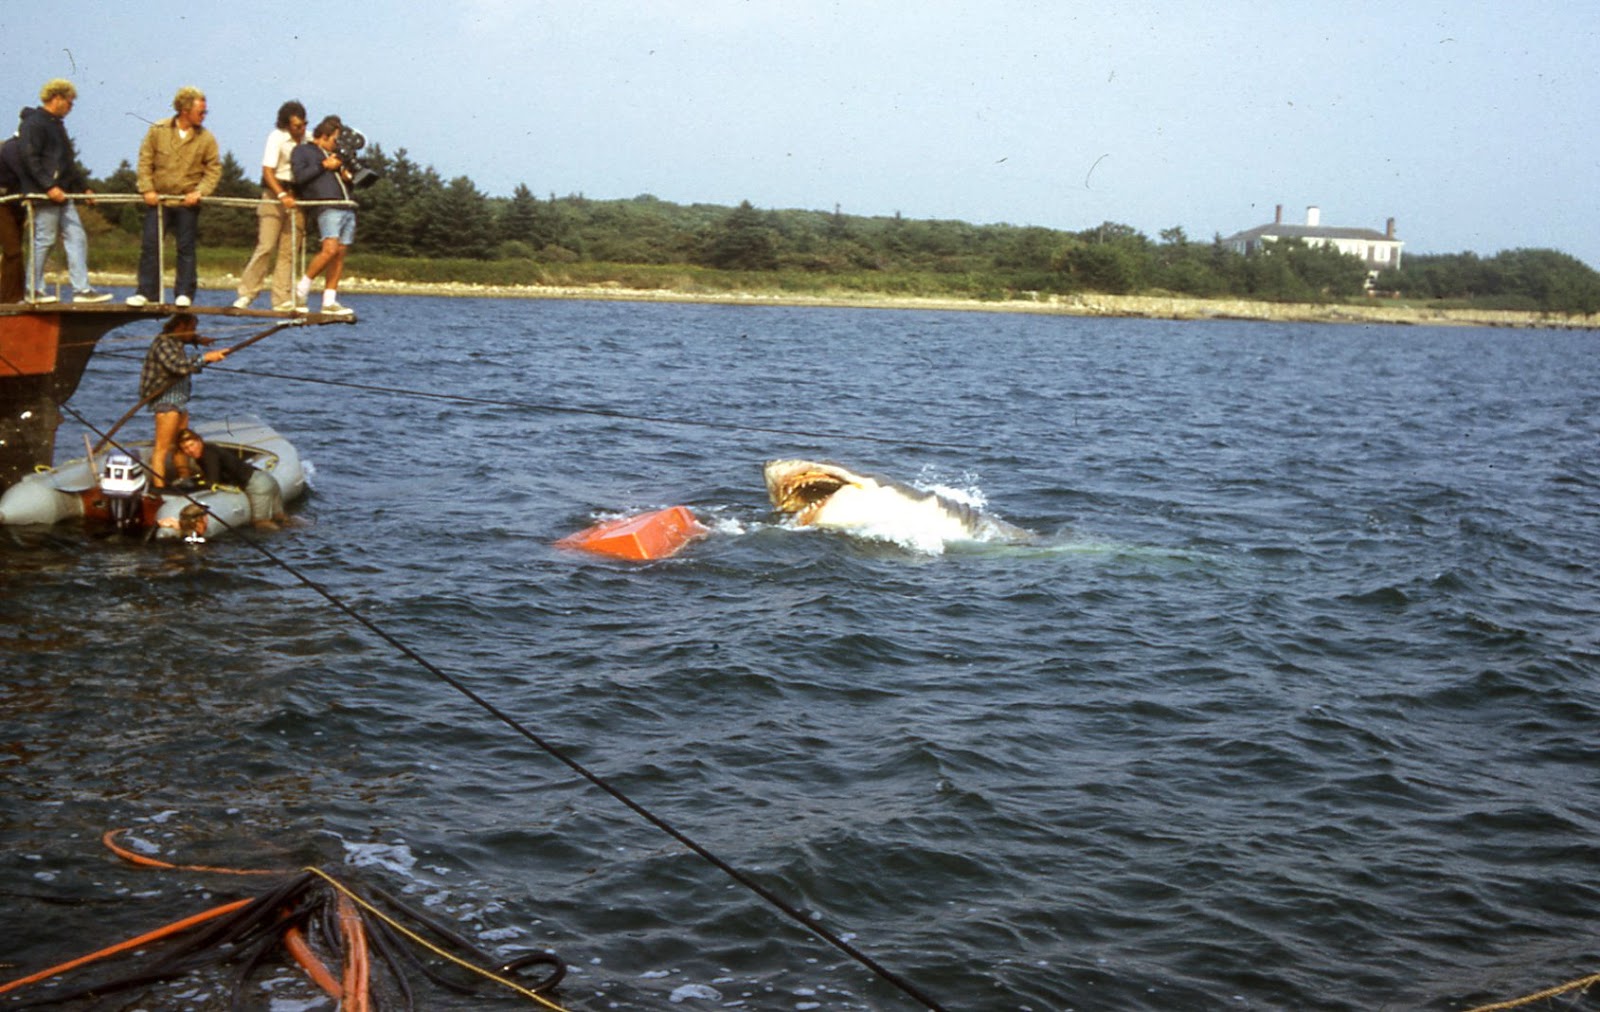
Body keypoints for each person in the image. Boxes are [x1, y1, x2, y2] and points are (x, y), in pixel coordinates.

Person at [6, 80, 111, 304]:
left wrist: (84, 187)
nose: (71, 108)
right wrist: (48, 186)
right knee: (44, 238)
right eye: (70, 103)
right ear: (57, 98)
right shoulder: (33, 124)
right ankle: (33, 289)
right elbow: (30, 159)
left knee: (76, 236)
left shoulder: (57, 125)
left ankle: (81, 289)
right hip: (45, 193)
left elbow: (67, 163)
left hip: (62, 193)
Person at [127, 86, 220, 309]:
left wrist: (200, 192)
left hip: (187, 202)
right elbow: (144, 160)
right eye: (201, 111)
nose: (204, 115)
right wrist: (146, 189)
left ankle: (184, 292)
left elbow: (213, 169)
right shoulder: (158, 130)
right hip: (158, 201)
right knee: (151, 245)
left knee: (185, 247)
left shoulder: (206, 138)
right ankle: (146, 292)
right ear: (185, 109)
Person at [139, 313, 227, 487]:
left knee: (181, 443)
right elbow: (178, 366)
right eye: (192, 328)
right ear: (180, 326)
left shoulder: (176, 340)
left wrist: (199, 340)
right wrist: (205, 358)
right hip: (165, 401)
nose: (194, 332)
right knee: (162, 449)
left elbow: (186, 338)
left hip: (179, 400)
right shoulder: (163, 343)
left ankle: (184, 478)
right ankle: (159, 488)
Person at [234, 101, 307, 311]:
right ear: (286, 125)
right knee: (266, 245)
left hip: (297, 196)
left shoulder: (308, 139)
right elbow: (268, 170)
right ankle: (247, 293)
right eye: (296, 126)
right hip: (275, 193)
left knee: (289, 251)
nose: (300, 130)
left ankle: (281, 298)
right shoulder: (276, 137)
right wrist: (281, 194)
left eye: (303, 125)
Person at [290, 116, 354, 316]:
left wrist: (347, 178)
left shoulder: (336, 155)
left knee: (340, 252)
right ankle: (302, 289)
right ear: (323, 136)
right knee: (329, 249)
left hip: (346, 205)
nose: (337, 144)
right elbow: (300, 177)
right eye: (335, 139)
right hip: (327, 205)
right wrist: (324, 166)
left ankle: (329, 300)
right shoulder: (303, 151)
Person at [170, 428, 287, 529]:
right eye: (185, 448)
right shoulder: (210, 448)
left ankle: (282, 543)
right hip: (265, 479)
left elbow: (212, 481)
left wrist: (189, 487)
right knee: (281, 518)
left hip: (257, 486)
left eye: (192, 445)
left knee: (261, 523)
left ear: (199, 441)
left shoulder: (207, 455)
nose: (190, 450)